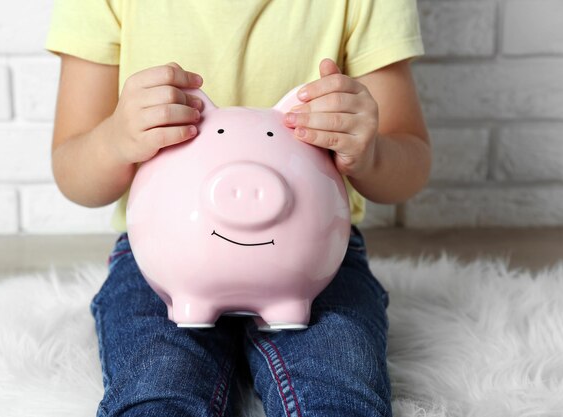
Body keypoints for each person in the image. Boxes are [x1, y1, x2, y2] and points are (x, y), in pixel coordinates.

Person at [45, 1, 431, 416]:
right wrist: (114, 140)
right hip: (163, 261)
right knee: (156, 384)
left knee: (338, 383)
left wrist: (369, 152)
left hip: (314, 263)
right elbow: (74, 174)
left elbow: (408, 169)